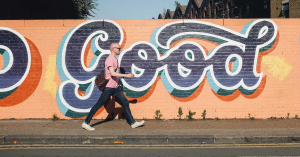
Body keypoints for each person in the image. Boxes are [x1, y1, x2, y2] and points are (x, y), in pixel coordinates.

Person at [82, 43, 145, 131]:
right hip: (109, 87)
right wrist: (126, 75)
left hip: (116, 87)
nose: (120, 49)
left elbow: (114, 75)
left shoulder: (115, 59)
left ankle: (133, 123)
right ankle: (86, 123)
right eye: (119, 48)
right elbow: (112, 73)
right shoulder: (110, 59)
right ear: (113, 49)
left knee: (125, 102)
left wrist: (118, 84)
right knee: (98, 104)